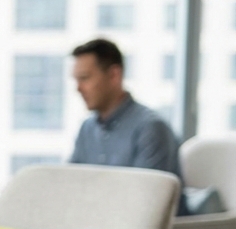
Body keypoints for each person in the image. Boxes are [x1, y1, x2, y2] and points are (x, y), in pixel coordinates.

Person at [69, 38, 181, 176]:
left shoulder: (151, 129)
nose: (78, 88)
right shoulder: (87, 129)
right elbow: (71, 184)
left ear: (114, 75)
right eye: (76, 80)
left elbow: (149, 195)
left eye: (85, 78)